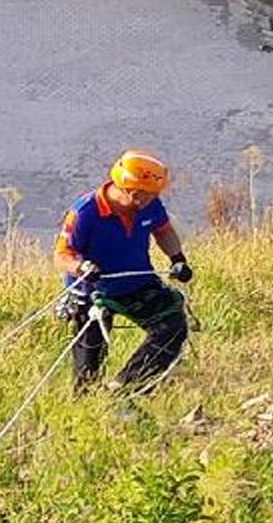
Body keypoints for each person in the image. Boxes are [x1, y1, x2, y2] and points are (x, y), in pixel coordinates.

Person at [53, 149, 193, 393]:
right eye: (150, 194)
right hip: (92, 292)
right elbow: (62, 255)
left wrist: (177, 258)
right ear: (133, 192)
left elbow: (163, 231)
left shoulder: (150, 205)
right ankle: (87, 402)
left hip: (138, 284)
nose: (154, 199)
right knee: (89, 365)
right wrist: (80, 267)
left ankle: (125, 388)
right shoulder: (85, 213)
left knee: (172, 328)